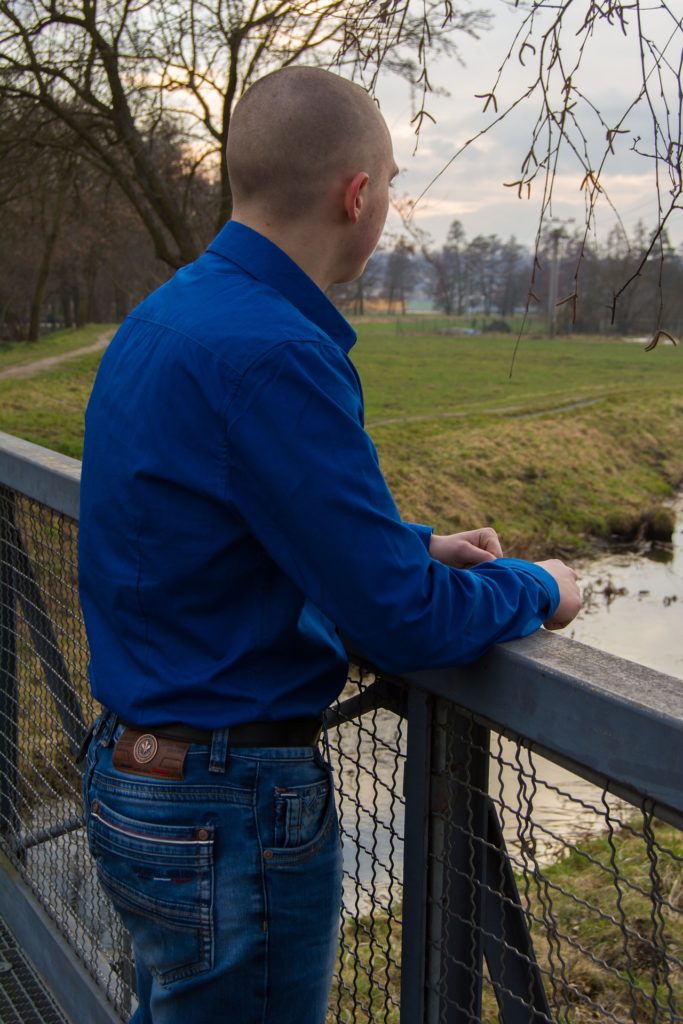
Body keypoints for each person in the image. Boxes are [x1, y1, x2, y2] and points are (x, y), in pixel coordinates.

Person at [78, 66, 581, 1024]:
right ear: (358, 195)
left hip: (136, 778)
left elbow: (223, 515)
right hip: (227, 811)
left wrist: (413, 544)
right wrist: (536, 587)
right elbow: (401, 624)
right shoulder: (275, 351)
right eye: (389, 183)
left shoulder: (169, 315)